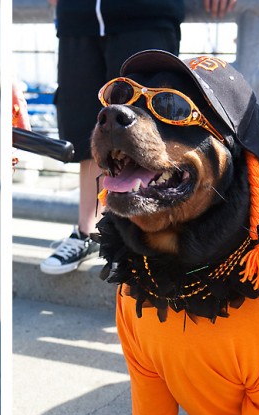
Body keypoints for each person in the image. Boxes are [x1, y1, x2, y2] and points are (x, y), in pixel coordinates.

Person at [40, 0, 237, 274]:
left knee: (146, 129)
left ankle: (127, 244)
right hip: (78, 15)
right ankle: (89, 232)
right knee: (93, 127)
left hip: (145, 13)